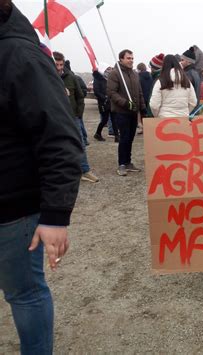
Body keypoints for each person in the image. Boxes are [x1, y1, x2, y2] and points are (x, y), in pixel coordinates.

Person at [0, 2, 82, 353]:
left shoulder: (20, 55)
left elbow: (60, 137)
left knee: (25, 294)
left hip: (12, 211)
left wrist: (54, 215)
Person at [53, 51, 99, 183]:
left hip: (73, 117)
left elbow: (80, 96)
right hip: (55, 118)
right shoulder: (46, 77)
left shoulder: (71, 78)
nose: (59, 68)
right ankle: (63, 172)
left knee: (79, 144)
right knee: (59, 146)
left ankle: (85, 170)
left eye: (61, 64)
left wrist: (79, 113)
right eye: (57, 64)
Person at [107, 49, 146, 176]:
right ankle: (122, 164)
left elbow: (139, 92)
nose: (131, 60)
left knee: (130, 138)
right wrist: (124, 102)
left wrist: (142, 107)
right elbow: (112, 93)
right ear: (121, 59)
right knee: (124, 138)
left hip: (133, 112)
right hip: (121, 111)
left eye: (132, 58)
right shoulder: (115, 74)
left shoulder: (135, 74)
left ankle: (128, 162)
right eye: (128, 58)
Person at [149, 54, 197, 118]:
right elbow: (193, 102)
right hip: (183, 119)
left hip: (164, 120)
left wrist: (158, 115)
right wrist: (185, 112)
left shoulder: (160, 81)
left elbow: (154, 105)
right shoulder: (187, 81)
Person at [93, 66, 118, 142]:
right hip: (103, 103)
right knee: (104, 120)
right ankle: (97, 133)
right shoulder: (98, 80)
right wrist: (104, 98)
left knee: (114, 119)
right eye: (108, 69)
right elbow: (96, 92)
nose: (110, 71)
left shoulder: (110, 79)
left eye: (110, 69)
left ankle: (117, 136)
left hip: (111, 102)